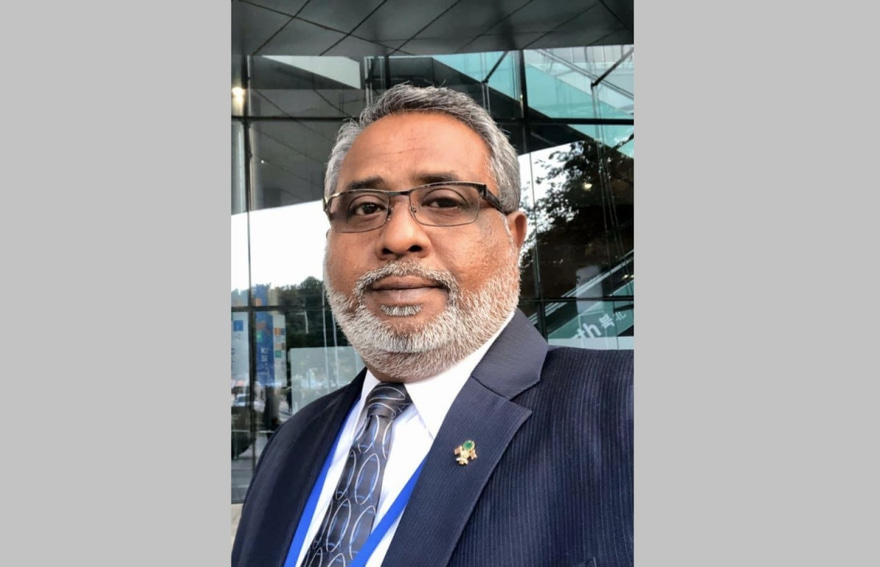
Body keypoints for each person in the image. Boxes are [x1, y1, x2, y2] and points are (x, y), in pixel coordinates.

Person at [232, 84, 633, 567]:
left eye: (444, 201)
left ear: (513, 237)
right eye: (365, 207)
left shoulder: (624, 410)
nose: (399, 236)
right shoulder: (292, 443)